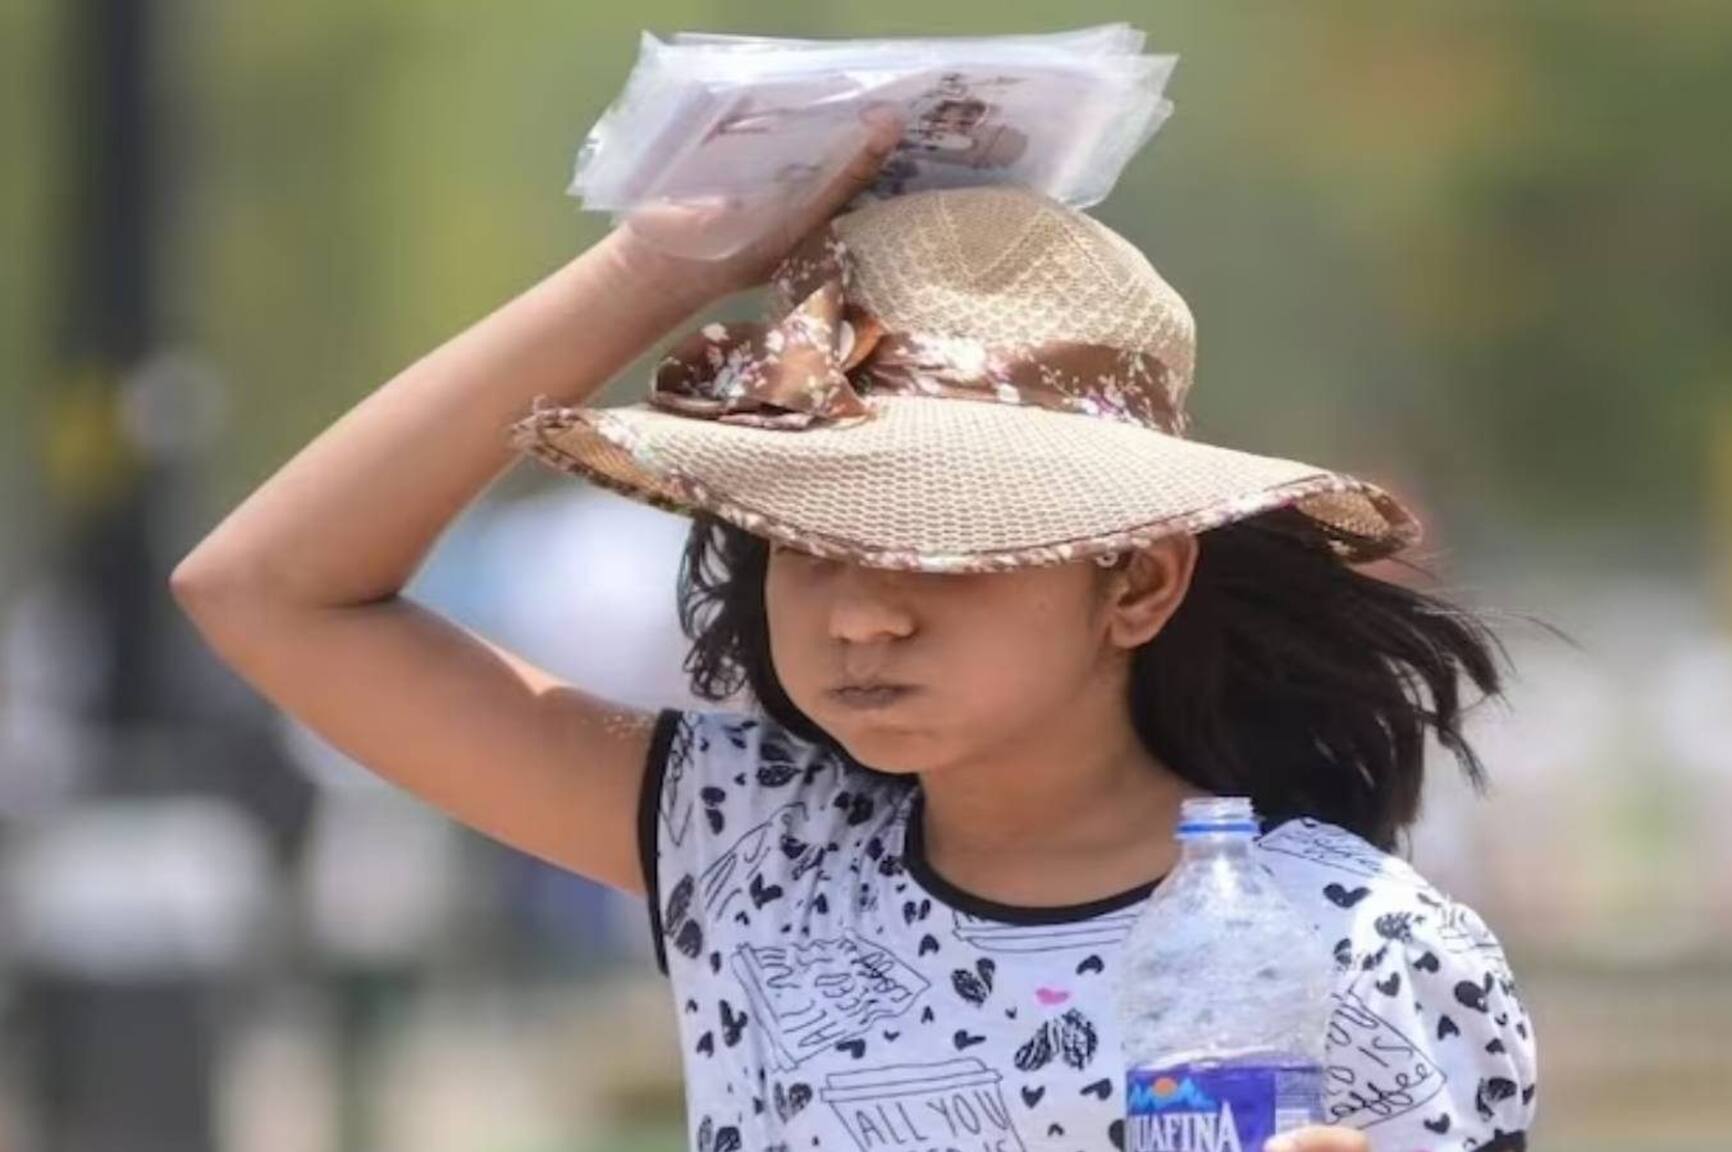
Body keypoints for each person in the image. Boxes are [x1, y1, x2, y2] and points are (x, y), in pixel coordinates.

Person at [172, 112, 1537, 1152]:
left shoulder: (1363, 951)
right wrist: (654, 270)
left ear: (1135, 586)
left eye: (944, 551)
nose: (864, 613)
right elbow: (264, 591)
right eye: (804, 544)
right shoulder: (742, 841)